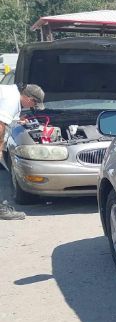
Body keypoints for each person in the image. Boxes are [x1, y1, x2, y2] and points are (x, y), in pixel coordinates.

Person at [0, 83, 45, 220]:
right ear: (29, 98)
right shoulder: (12, 100)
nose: (32, 107)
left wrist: (18, 120)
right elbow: (1, 125)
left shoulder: (12, 93)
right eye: (34, 104)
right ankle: (2, 210)